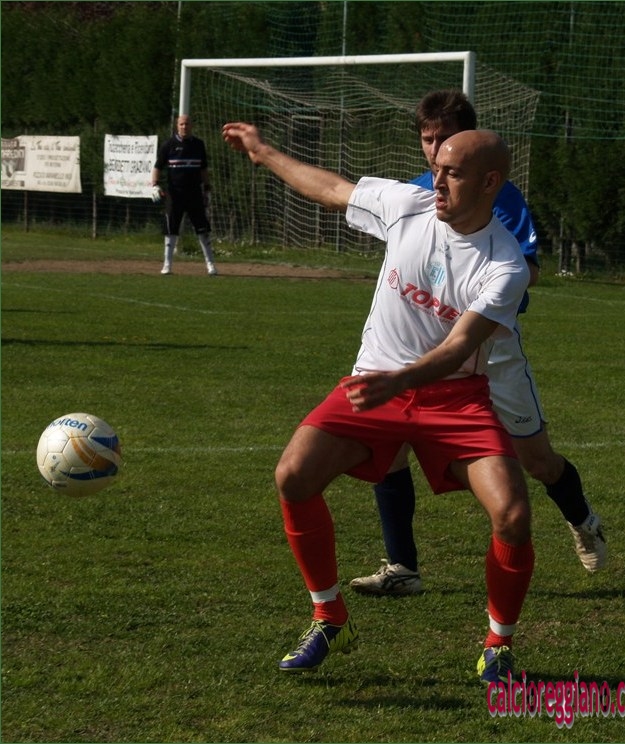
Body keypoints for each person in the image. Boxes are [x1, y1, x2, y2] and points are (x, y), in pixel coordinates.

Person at [223, 120, 535, 685]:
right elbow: (332, 189)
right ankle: (329, 617)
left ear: (490, 182)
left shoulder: (505, 263)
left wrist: (403, 380)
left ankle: (499, 646)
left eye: (452, 173)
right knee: (293, 475)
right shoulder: (408, 205)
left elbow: (460, 346)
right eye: (436, 169)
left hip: (454, 399)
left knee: (512, 515)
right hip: (375, 384)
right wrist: (263, 151)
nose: (436, 182)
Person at [349, 91, 606, 598]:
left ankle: (583, 520)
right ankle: (403, 567)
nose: (435, 151)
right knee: (389, 446)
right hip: (422, 353)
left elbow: (528, 269)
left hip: (493, 354)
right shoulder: (418, 193)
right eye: (427, 140)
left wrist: (478, 285)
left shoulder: (497, 193)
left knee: (537, 462)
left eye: (445, 139)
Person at [151, 114, 218, 276]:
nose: (184, 127)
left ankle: (210, 265)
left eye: (187, 124)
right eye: (181, 124)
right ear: (177, 126)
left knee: (202, 229)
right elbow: (158, 167)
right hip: (174, 194)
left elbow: (203, 169)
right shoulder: (168, 145)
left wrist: (207, 188)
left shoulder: (198, 145)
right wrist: (154, 185)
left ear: (191, 125)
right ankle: (167, 265)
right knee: (171, 229)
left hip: (194, 193)